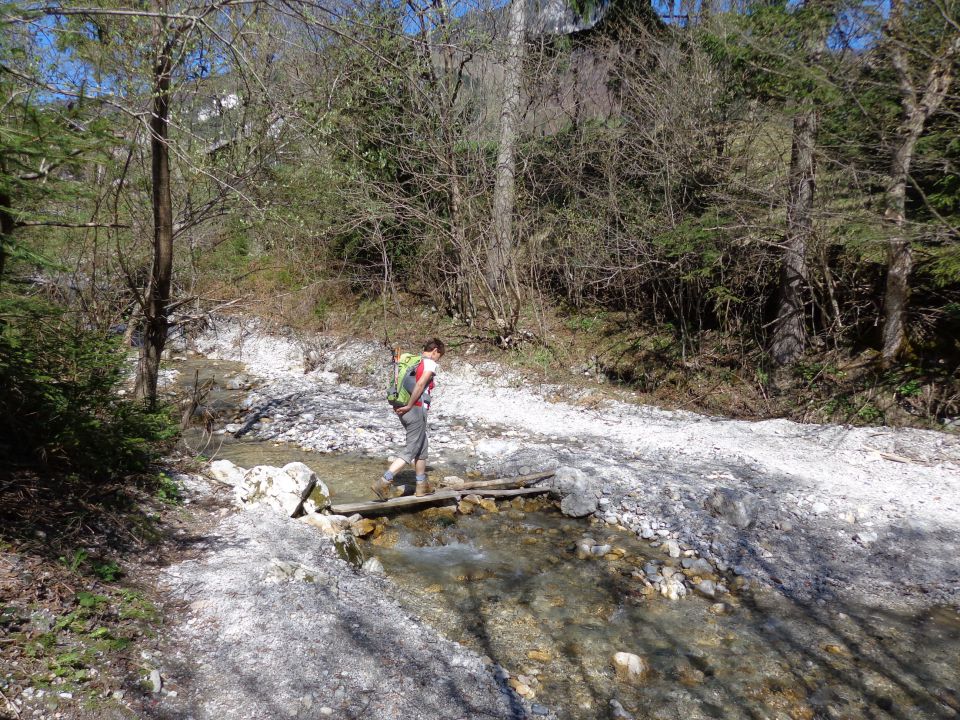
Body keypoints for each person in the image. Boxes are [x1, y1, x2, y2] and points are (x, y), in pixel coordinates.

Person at [372, 338, 446, 500]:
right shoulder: (429, 363)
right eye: (438, 356)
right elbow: (420, 385)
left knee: (421, 445)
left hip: (404, 408)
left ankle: (421, 486)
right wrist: (410, 405)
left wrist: (403, 406)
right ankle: (384, 481)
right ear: (435, 351)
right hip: (415, 409)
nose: (437, 359)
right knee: (412, 447)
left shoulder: (411, 361)